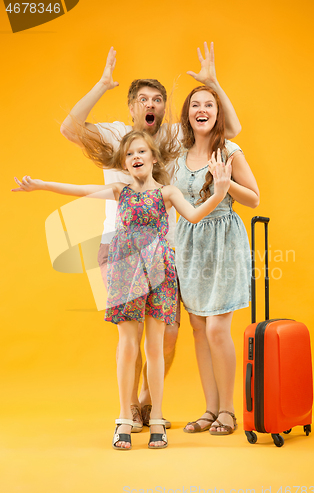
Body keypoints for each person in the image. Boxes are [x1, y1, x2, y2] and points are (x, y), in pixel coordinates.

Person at [59, 42, 242, 430]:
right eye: (143, 99)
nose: (152, 104)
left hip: (166, 248)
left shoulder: (175, 138)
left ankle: (145, 400)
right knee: (132, 333)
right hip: (120, 246)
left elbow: (229, 128)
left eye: (157, 99)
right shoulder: (115, 134)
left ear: (163, 108)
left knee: (169, 333)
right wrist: (102, 84)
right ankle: (129, 413)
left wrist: (212, 83)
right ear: (131, 106)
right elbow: (69, 128)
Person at [12, 129, 233, 450]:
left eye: (142, 152)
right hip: (125, 270)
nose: (136, 158)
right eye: (130, 155)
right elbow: (81, 190)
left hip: (159, 271)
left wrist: (219, 192)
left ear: (154, 158)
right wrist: (42, 185)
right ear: (125, 163)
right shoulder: (119, 190)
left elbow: (195, 216)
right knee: (128, 346)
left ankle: (157, 417)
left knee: (155, 348)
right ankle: (124, 420)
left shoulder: (168, 192)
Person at [174, 86, 260, 435]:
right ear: (188, 114)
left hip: (224, 241)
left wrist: (226, 187)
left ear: (217, 111)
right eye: (195, 104)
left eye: (209, 104)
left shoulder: (230, 150)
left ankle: (228, 411)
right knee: (197, 328)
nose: (202, 109)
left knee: (216, 328)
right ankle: (210, 410)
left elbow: (254, 198)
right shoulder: (177, 155)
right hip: (190, 244)